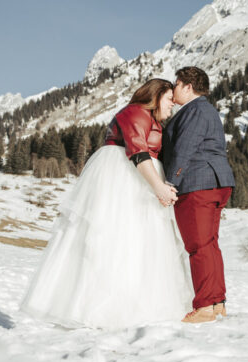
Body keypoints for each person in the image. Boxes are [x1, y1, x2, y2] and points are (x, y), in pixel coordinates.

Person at [21, 78, 193, 329]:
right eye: (168, 100)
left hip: (142, 178)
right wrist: (158, 186)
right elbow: (137, 151)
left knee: (142, 244)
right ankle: (99, 309)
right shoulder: (134, 112)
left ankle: (138, 306)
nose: (171, 106)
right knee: (115, 239)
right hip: (123, 178)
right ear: (155, 98)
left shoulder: (152, 119)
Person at [161, 66, 236, 323]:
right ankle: (217, 303)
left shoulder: (195, 110)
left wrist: (170, 183)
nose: (173, 89)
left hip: (198, 183)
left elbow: (185, 149)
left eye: (176, 84)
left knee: (198, 246)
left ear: (188, 86)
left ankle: (204, 306)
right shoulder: (205, 109)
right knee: (210, 244)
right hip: (215, 182)